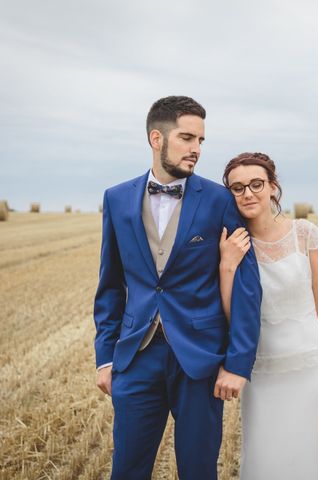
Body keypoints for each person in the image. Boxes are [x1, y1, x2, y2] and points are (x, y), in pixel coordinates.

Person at [93, 96, 262, 479]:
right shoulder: (116, 199)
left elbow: (247, 289)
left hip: (200, 359)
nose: (196, 149)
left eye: (201, 140)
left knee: (199, 470)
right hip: (136, 357)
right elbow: (110, 286)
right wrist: (106, 356)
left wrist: (237, 363)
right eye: (187, 138)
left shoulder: (220, 200)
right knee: (127, 469)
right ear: (157, 138)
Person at [219, 152, 318, 479]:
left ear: (272, 188)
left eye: (256, 184)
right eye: (237, 188)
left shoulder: (304, 232)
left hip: (314, 366)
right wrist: (227, 264)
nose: (248, 193)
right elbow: (230, 315)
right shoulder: (232, 243)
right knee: (266, 461)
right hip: (263, 370)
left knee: (316, 460)